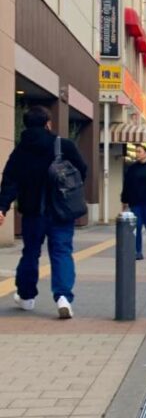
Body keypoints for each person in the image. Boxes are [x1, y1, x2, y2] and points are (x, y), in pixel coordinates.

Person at [0, 106, 87, 319]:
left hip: (33, 213)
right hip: (61, 212)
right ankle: (63, 297)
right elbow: (81, 170)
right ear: (48, 122)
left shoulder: (21, 150)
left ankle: (27, 297)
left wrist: (2, 206)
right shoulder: (63, 145)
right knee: (62, 252)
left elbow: (10, 181)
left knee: (31, 252)